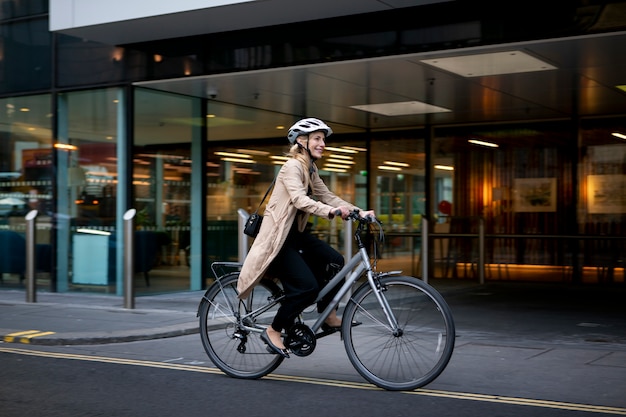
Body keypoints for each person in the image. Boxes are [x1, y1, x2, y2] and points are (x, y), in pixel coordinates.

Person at [237, 117, 375, 358]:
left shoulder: (310, 168)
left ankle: (328, 314)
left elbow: (327, 195)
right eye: (318, 139)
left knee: (335, 261)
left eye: (323, 139)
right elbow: (300, 199)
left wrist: (357, 211)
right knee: (306, 288)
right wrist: (330, 212)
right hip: (277, 240)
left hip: (295, 236)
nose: (323, 144)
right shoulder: (291, 167)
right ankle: (274, 329)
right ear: (302, 141)